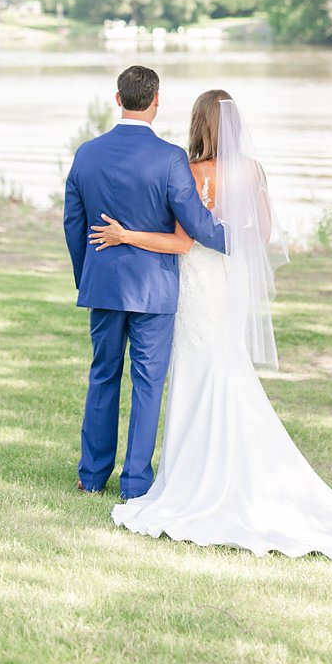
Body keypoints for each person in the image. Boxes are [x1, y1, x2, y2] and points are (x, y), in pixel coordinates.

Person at [90, 89, 332, 562]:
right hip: (228, 285)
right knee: (228, 369)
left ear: (196, 124)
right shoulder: (252, 170)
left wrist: (127, 235)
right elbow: (262, 236)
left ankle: (189, 476)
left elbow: (183, 242)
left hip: (195, 286)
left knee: (191, 374)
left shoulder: (189, 170)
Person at [65, 64, 227, 500]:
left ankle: (92, 476)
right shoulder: (170, 158)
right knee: (148, 383)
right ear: (156, 102)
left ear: (117, 99)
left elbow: (73, 223)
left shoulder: (87, 153)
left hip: (103, 285)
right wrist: (242, 240)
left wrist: (89, 277)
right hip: (154, 290)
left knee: (103, 376)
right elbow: (197, 224)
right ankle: (136, 483)